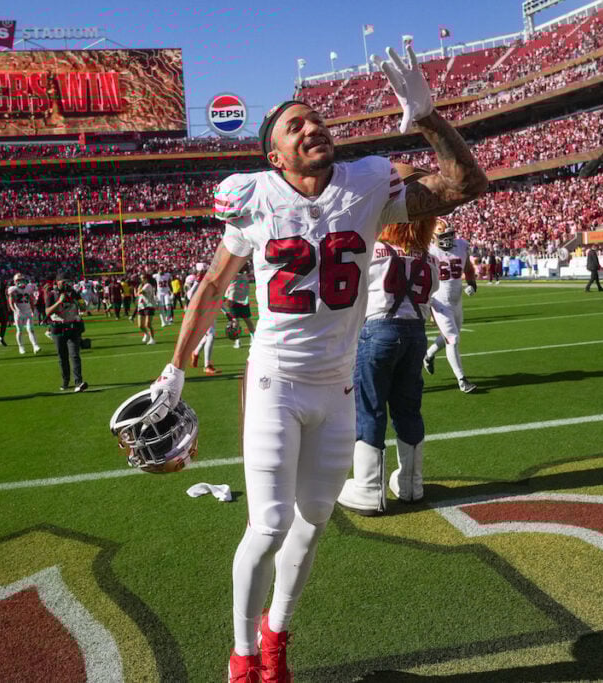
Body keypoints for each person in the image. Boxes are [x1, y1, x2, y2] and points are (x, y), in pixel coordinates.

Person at [144, 43, 487, 682]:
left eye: (315, 118)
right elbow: (215, 286)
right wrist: (177, 365)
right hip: (276, 379)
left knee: (312, 524)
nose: (312, 125)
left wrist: (430, 118)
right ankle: (242, 656)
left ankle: (276, 639)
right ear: (274, 155)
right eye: (294, 124)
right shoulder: (252, 199)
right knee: (269, 523)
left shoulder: (366, 183)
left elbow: (466, 184)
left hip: (336, 385)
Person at [338, 165, 441, 516]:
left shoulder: (372, 249)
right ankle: (412, 485)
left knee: (369, 407)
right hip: (415, 334)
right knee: (408, 408)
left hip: (378, 330)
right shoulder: (430, 258)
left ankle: (369, 488)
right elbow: (432, 292)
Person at [423, 220, 478, 393]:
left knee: (451, 335)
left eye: (449, 235)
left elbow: (467, 266)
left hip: (456, 300)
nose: (447, 239)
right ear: (433, 236)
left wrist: (471, 282)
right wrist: (427, 307)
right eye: (443, 236)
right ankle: (462, 380)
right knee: (453, 339)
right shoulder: (428, 251)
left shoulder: (461, 246)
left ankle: (428, 355)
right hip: (439, 301)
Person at [45, 276, 88, 392]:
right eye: (63, 281)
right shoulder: (51, 294)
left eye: (67, 281)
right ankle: (65, 381)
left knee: (75, 355)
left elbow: (83, 307)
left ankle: (78, 382)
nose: (66, 284)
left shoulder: (73, 293)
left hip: (73, 328)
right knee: (62, 357)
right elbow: (47, 311)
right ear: (57, 282)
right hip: (58, 328)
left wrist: (80, 302)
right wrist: (59, 301)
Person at [187, 263, 221, 375]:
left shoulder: (210, 282)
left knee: (207, 336)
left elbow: (215, 298)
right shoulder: (193, 280)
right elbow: (190, 295)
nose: (205, 272)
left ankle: (195, 353)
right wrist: (197, 281)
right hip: (200, 312)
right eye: (203, 271)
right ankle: (207, 365)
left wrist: (226, 312)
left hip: (210, 311)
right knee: (210, 335)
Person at [223, 264, 256, 349]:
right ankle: (247, 339)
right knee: (245, 321)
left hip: (235, 301)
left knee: (238, 322)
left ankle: (240, 340)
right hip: (240, 301)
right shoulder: (244, 276)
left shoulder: (236, 276)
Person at [8, 273, 41, 355]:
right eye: (18, 280)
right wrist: (14, 310)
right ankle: (21, 347)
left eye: (21, 280)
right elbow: (10, 301)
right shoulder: (13, 289)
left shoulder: (29, 288)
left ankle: (35, 346)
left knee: (31, 330)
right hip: (19, 313)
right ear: (15, 281)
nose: (20, 282)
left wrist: (33, 310)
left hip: (28, 311)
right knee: (19, 330)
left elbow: (31, 300)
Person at [136, 273, 157, 345]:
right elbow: (137, 294)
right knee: (140, 325)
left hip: (149, 305)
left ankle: (152, 339)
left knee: (148, 324)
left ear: (146, 279)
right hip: (141, 305)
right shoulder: (142, 285)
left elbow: (140, 292)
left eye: (143, 278)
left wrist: (138, 289)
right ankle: (146, 334)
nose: (141, 279)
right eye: (141, 278)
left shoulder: (147, 285)